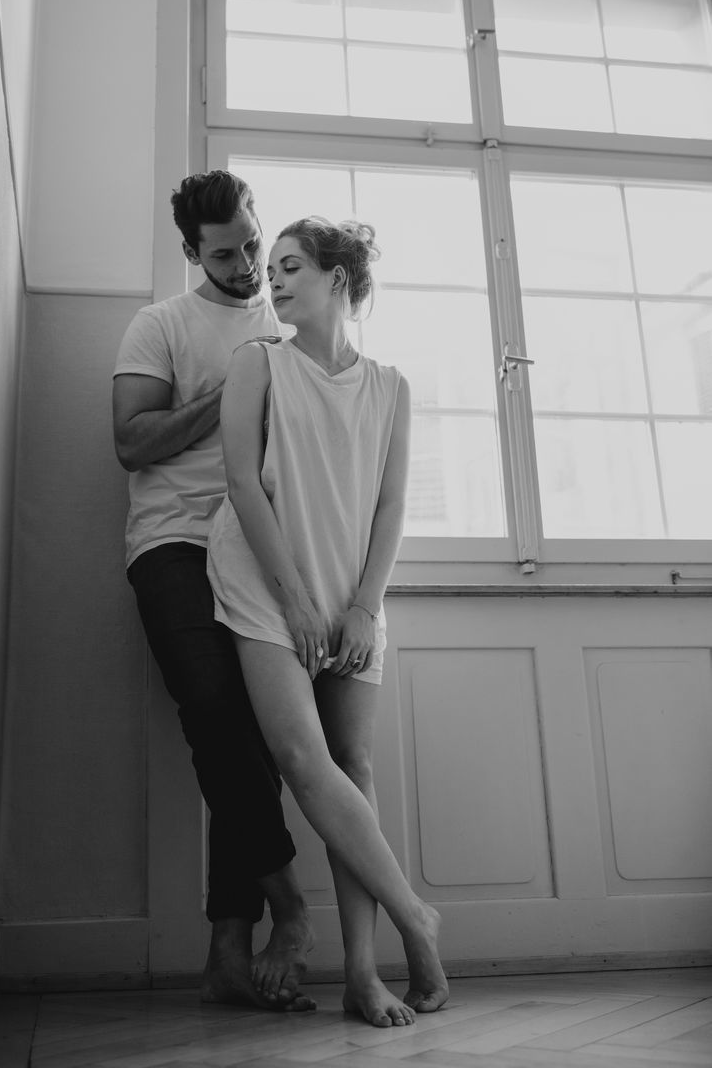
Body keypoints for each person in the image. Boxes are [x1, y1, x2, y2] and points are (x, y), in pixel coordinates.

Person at [207, 217, 450, 1028]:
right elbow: (243, 484)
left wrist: (360, 606)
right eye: (269, 268)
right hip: (263, 581)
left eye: (291, 267)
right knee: (301, 757)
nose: (271, 280)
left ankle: (360, 973)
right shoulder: (257, 363)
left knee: (354, 763)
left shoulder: (390, 386)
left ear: (338, 280)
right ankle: (416, 915)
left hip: (349, 592)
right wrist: (298, 603)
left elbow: (389, 504)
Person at [112, 171, 314, 1010]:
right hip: (171, 545)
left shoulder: (288, 328)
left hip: (260, 549)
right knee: (212, 708)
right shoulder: (159, 324)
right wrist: (223, 399)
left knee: (258, 738)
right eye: (223, 254)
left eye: (252, 246)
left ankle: (228, 948)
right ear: (191, 251)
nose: (244, 266)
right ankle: (290, 909)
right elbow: (131, 443)